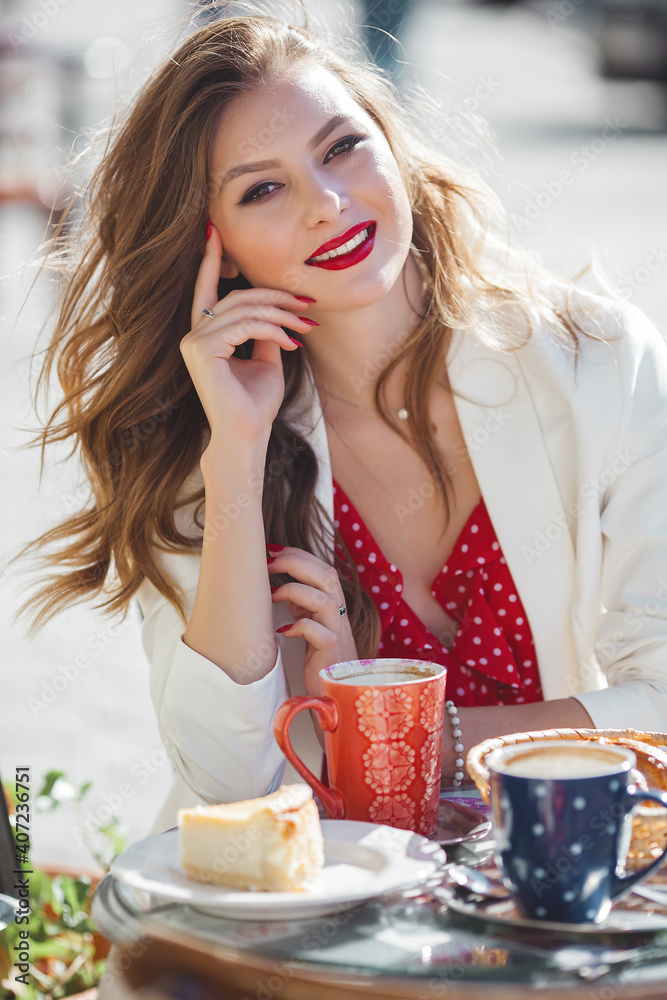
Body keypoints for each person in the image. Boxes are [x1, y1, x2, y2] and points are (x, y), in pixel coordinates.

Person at [15, 13, 667, 832]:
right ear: (213, 248)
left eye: (340, 148)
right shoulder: (206, 436)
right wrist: (236, 460)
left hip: (548, 901)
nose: (326, 203)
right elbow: (232, 785)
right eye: (263, 188)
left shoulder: (596, 363)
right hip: (312, 929)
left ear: (392, 146)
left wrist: (395, 728)